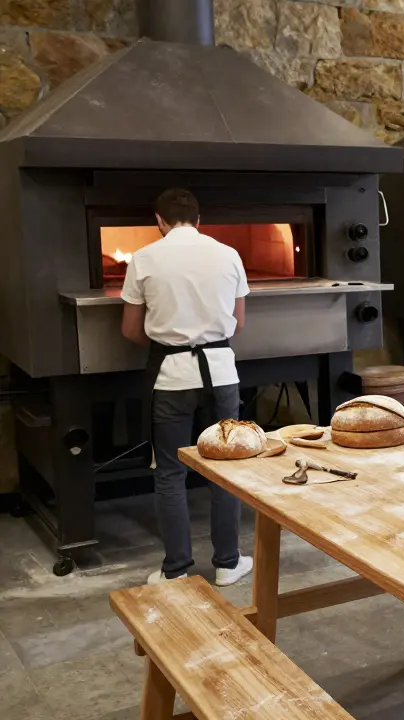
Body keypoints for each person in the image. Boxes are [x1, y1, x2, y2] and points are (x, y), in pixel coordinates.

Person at [120, 188, 254, 587]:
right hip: (222, 374)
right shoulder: (229, 253)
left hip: (171, 379)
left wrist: (171, 345)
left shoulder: (144, 258)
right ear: (199, 219)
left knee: (169, 472)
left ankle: (176, 569)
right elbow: (239, 322)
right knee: (224, 470)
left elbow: (129, 329)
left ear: (159, 221)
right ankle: (228, 563)